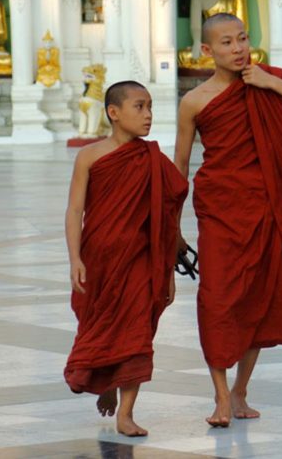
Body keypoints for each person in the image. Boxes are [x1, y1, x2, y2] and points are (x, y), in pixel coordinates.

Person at [174, 13, 282, 427]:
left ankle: (240, 390)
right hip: (221, 210)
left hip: (269, 208)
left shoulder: (272, 80)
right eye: (226, 43)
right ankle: (220, 395)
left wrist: (271, 83)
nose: (237, 48)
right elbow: (179, 167)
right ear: (206, 51)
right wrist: (173, 228)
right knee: (217, 300)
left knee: (260, 299)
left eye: (242, 38)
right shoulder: (195, 102)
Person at [64, 81, 188, 436]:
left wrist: (169, 271)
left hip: (139, 260)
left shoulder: (153, 159)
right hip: (99, 259)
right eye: (139, 107)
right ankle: (104, 380)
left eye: (150, 107)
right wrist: (75, 258)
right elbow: (74, 210)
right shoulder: (90, 156)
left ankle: (126, 413)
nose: (148, 115)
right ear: (113, 113)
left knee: (136, 332)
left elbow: (167, 213)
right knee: (99, 326)